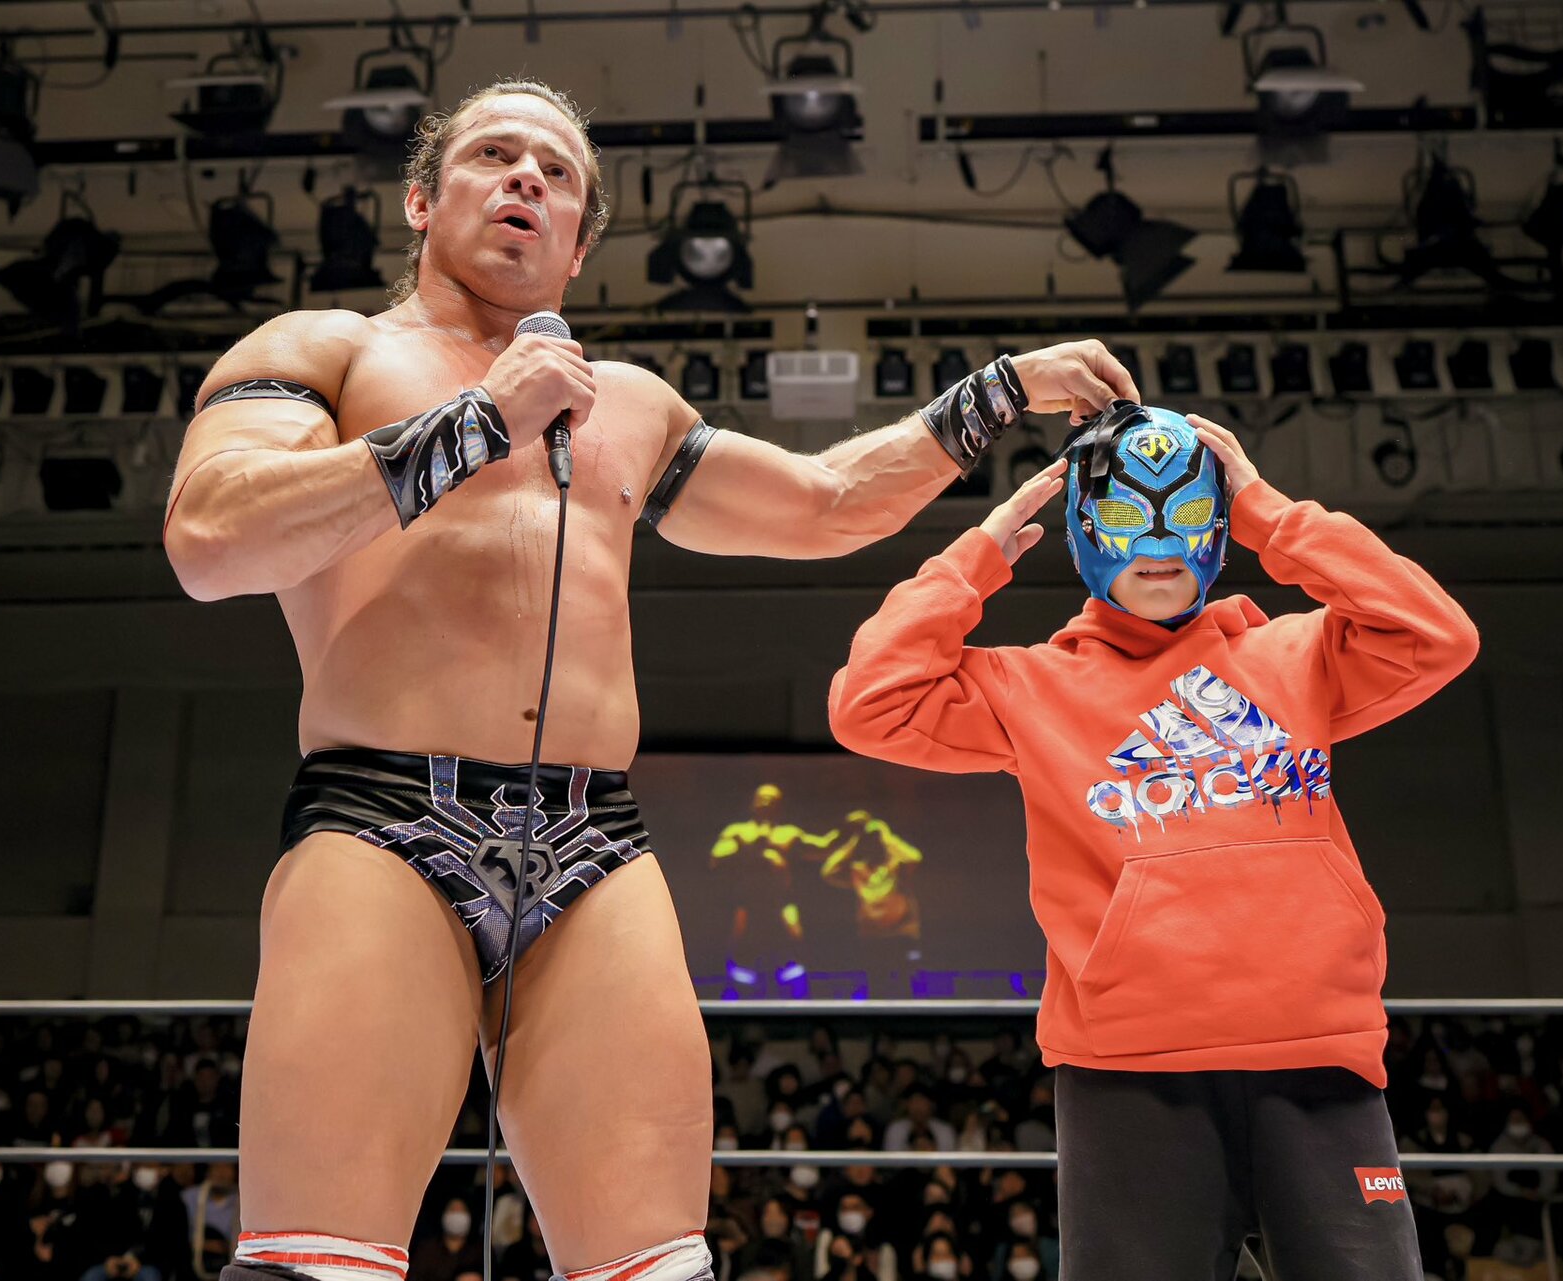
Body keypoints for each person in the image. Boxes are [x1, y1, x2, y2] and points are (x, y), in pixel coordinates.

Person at [165, 75, 1138, 1281]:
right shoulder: (325, 349)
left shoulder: (623, 403)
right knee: (321, 1264)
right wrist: (475, 423)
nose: (527, 177)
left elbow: (827, 504)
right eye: (494, 155)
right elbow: (211, 540)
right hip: (383, 819)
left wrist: (997, 392)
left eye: (557, 173)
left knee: (661, 1268)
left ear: (577, 244)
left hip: (594, 844)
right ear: (421, 200)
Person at [827, 403, 1481, 1279]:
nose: (1160, 541)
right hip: (1129, 1077)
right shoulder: (1031, 685)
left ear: (1219, 524)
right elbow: (868, 704)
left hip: (1319, 1057)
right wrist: (976, 557)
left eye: (1190, 511)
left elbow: (1439, 634)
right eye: (1129, 514)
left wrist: (1270, 514)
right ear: (1086, 527)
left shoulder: (1301, 655)